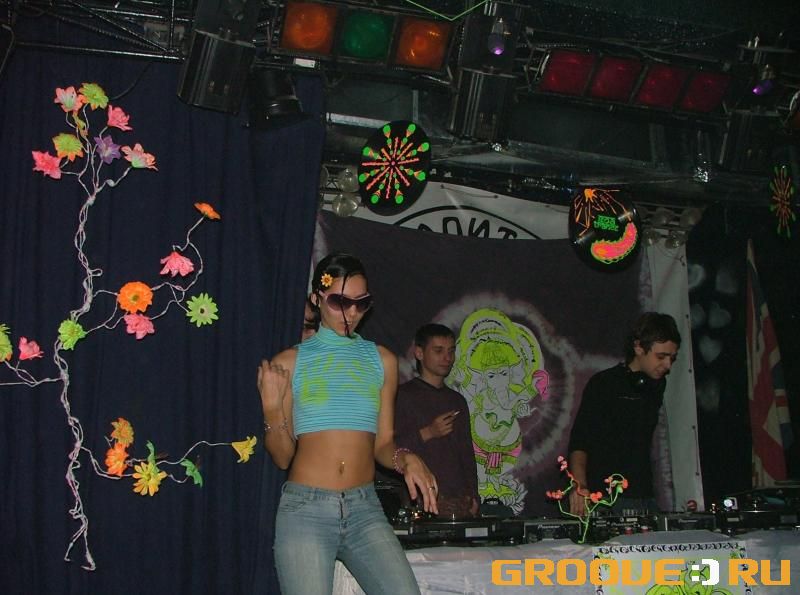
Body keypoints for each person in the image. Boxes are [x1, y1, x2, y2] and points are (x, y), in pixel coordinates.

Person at [258, 252, 438, 595]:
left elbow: (382, 444)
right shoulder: (290, 362)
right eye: (340, 302)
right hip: (306, 511)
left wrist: (406, 458)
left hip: (364, 509)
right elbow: (282, 457)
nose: (351, 313)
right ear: (317, 298)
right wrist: (271, 410)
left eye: (361, 303)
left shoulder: (382, 360)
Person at [567, 312, 681, 516]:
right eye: (661, 357)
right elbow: (580, 442)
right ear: (638, 347)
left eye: (672, 358)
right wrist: (580, 486)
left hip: (644, 497)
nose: (667, 365)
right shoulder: (604, 384)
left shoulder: (656, 385)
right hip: (606, 499)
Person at [394, 323, 480, 518]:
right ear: (419, 353)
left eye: (451, 351)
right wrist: (429, 432)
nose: (447, 358)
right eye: (438, 351)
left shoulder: (457, 400)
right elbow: (386, 450)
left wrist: (474, 495)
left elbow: (467, 454)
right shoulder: (402, 396)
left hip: (459, 502)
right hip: (419, 501)